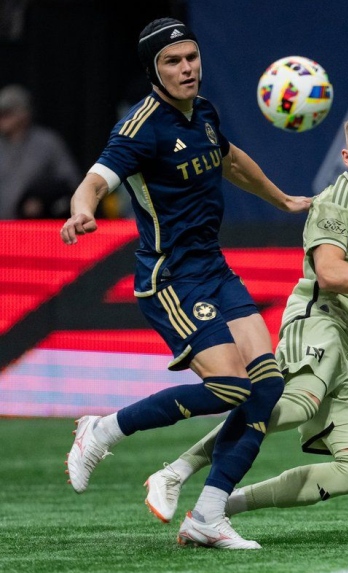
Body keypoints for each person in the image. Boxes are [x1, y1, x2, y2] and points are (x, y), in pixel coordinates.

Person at [142, 110, 348, 528]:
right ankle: (176, 471)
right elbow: (329, 274)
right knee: (297, 404)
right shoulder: (335, 201)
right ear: (347, 157)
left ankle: (221, 509)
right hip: (318, 322)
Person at [60, 18, 312, 549]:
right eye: (173, 61)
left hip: (214, 270)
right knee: (230, 389)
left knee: (265, 388)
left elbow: (231, 160)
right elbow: (96, 178)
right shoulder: (139, 128)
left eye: (191, 58)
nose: (186, 68)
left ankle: (207, 516)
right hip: (170, 278)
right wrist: (82, 210)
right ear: (155, 69)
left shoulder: (205, 113)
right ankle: (101, 430)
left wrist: (284, 199)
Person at [0, 84, 79, 219]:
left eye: (6, 113)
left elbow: (70, 182)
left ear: (23, 113)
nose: (2, 119)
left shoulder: (48, 143)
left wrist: (44, 201)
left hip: (37, 228)